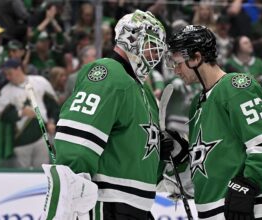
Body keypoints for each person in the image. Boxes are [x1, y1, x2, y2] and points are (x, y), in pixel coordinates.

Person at [40, 10, 175, 219]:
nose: (155, 55)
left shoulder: (143, 90)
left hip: (138, 205)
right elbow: (77, 144)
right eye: (151, 45)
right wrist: (71, 195)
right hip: (107, 203)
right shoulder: (107, 74)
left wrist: (160, 155)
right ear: (132, 39)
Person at [167, 25, 262, 219]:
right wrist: (179, 152)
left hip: (250, 208)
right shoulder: (197, 104)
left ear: (196, 58)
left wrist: (246, 186)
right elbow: (207, 166)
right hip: (214, 212)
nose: (176, 70)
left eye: (178, 62)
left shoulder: (236, 86)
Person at [0, 59, 59, 168]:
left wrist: (52, 121)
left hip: (42, 136)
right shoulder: (6, 91)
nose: (8, 77)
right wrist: (21, 113)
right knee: (21, 175)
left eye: (10, 73)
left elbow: (53, 105)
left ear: (19, 69)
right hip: (21, 140)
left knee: (43, 172)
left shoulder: (40, 82)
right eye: (6, 74)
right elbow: (2, 115)